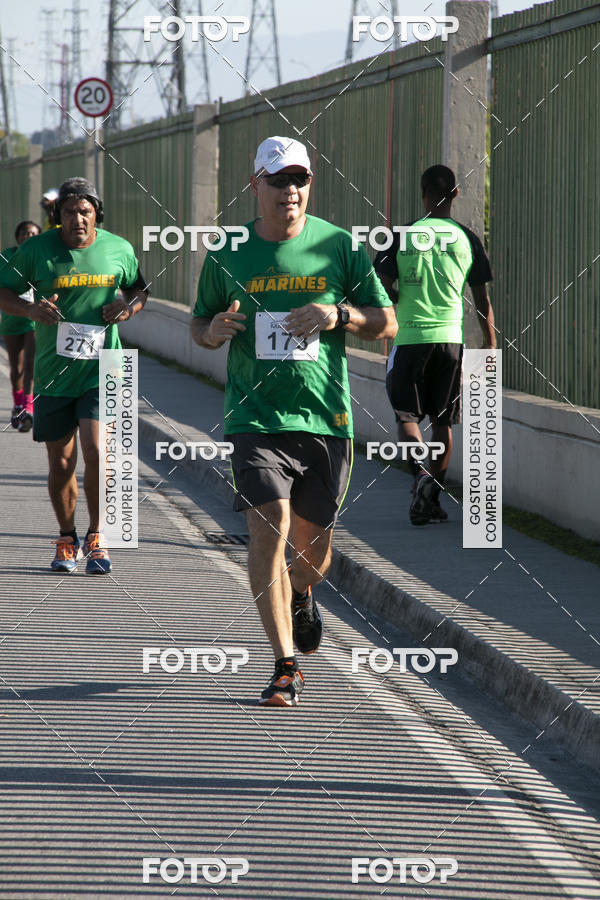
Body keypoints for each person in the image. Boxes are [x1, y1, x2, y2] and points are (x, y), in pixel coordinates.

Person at [191, 135, 397, 706]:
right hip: (254, 418)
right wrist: (210, 333)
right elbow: (199, 321)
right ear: (254, 184)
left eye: (300, 179)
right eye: (279, 180)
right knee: (269, 527)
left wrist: (339, 313)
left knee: (312, 553)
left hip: (325, 420)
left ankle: (303, 594)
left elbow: (388, 322)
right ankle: (285, 665)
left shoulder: (338, 246)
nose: (291, 191)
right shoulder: (228, 251)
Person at [0, 177, 148, 574]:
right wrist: (30, 311)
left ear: (96, 214)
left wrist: (127, 309)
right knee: (61, 463)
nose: (77, 219)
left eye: (85, 211)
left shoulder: (118, 248)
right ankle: (67, 537)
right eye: (69, 211)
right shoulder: (36, 251)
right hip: (53, 373)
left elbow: (138, 289)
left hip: (106, 368)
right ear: (57, 216)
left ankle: (98, 536)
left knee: (99, 452)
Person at [374, 164, 496, 526]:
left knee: (406, 417)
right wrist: (489, 349)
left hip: (411, 339)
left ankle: (421, 479)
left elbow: (378, 285)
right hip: (451, 343)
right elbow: (482, 301)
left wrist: (397, 296)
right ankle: (431, 500)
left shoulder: (402, 236)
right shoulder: (468, 238)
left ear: (422, 193)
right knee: (443, 423)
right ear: (456, 194)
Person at [1, 220, 41, 431]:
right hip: (10, 320)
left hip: (32, 320)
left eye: (33, 234)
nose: (29, 236)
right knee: (16, 368)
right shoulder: (6, 257)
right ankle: (17, 404)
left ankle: (28, 407)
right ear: (18, 237)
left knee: (30, 365)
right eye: (25, 233)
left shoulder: (43, 258)